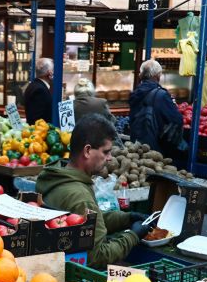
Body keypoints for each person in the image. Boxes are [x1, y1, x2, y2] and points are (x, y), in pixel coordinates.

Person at [36, 114, 149, 269]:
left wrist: (126, 218)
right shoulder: (79, 196)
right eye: (106, 152)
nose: (109, 158)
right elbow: (98, 256)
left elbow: (84, 221)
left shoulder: (55, 175)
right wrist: (133, 236)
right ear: (88, 151)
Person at [129, 60, 185, 157]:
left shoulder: (135, 93)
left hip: (136, 144)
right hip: (155, 148)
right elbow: (177, 119)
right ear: (158, 75)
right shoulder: (161, 95)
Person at [23, 58, 54, 124]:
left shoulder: (34, 85)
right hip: (40, 132)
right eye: (52, 70)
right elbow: (37, 119)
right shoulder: (40, 90)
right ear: (49, 72)